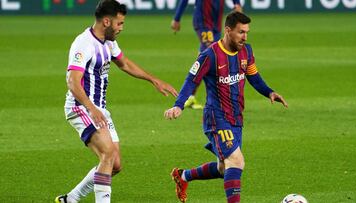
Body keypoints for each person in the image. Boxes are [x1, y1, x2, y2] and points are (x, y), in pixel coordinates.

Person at [55, 1, 178, 203]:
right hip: (81, 106)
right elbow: (72, 82)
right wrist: (91, 108)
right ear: (106, 21)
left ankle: (71, 198)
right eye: (119, 23)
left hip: (97, 108)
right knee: (108, 153)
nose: (121, 27)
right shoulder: (83, 44)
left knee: (115, 164)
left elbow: (124, 63)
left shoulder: (108, 41)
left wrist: (153, 79)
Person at [164, 12, 288, 203]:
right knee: (237, 161)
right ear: (228, 30)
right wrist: (178, 106)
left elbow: (253, 76)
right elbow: (191, 79)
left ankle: (183, 176)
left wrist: (269, 92)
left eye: (247, 32)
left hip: (236, 117)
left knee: (224, 168)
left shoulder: (246, 51)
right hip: (216, 116)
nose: (245, 37)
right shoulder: (210, 55)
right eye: (241, 32)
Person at [171, 0, 242, 109]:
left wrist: (237, 3)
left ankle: (190, 97)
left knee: (204, 58)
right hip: (203, 22)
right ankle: (219, 99)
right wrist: (177, 18)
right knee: (212, 56)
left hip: (216, 23)